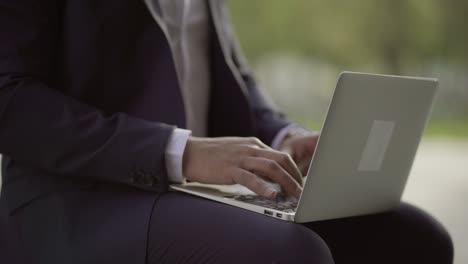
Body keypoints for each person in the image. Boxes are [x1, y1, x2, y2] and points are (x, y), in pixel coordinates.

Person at [0, 0, 453, 263]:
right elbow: (9, 97)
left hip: (198, 192)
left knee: (415, 236)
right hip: (76, 197)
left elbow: (232, 76)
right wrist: (180, 151)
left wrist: (284, 139)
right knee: (291, 254)